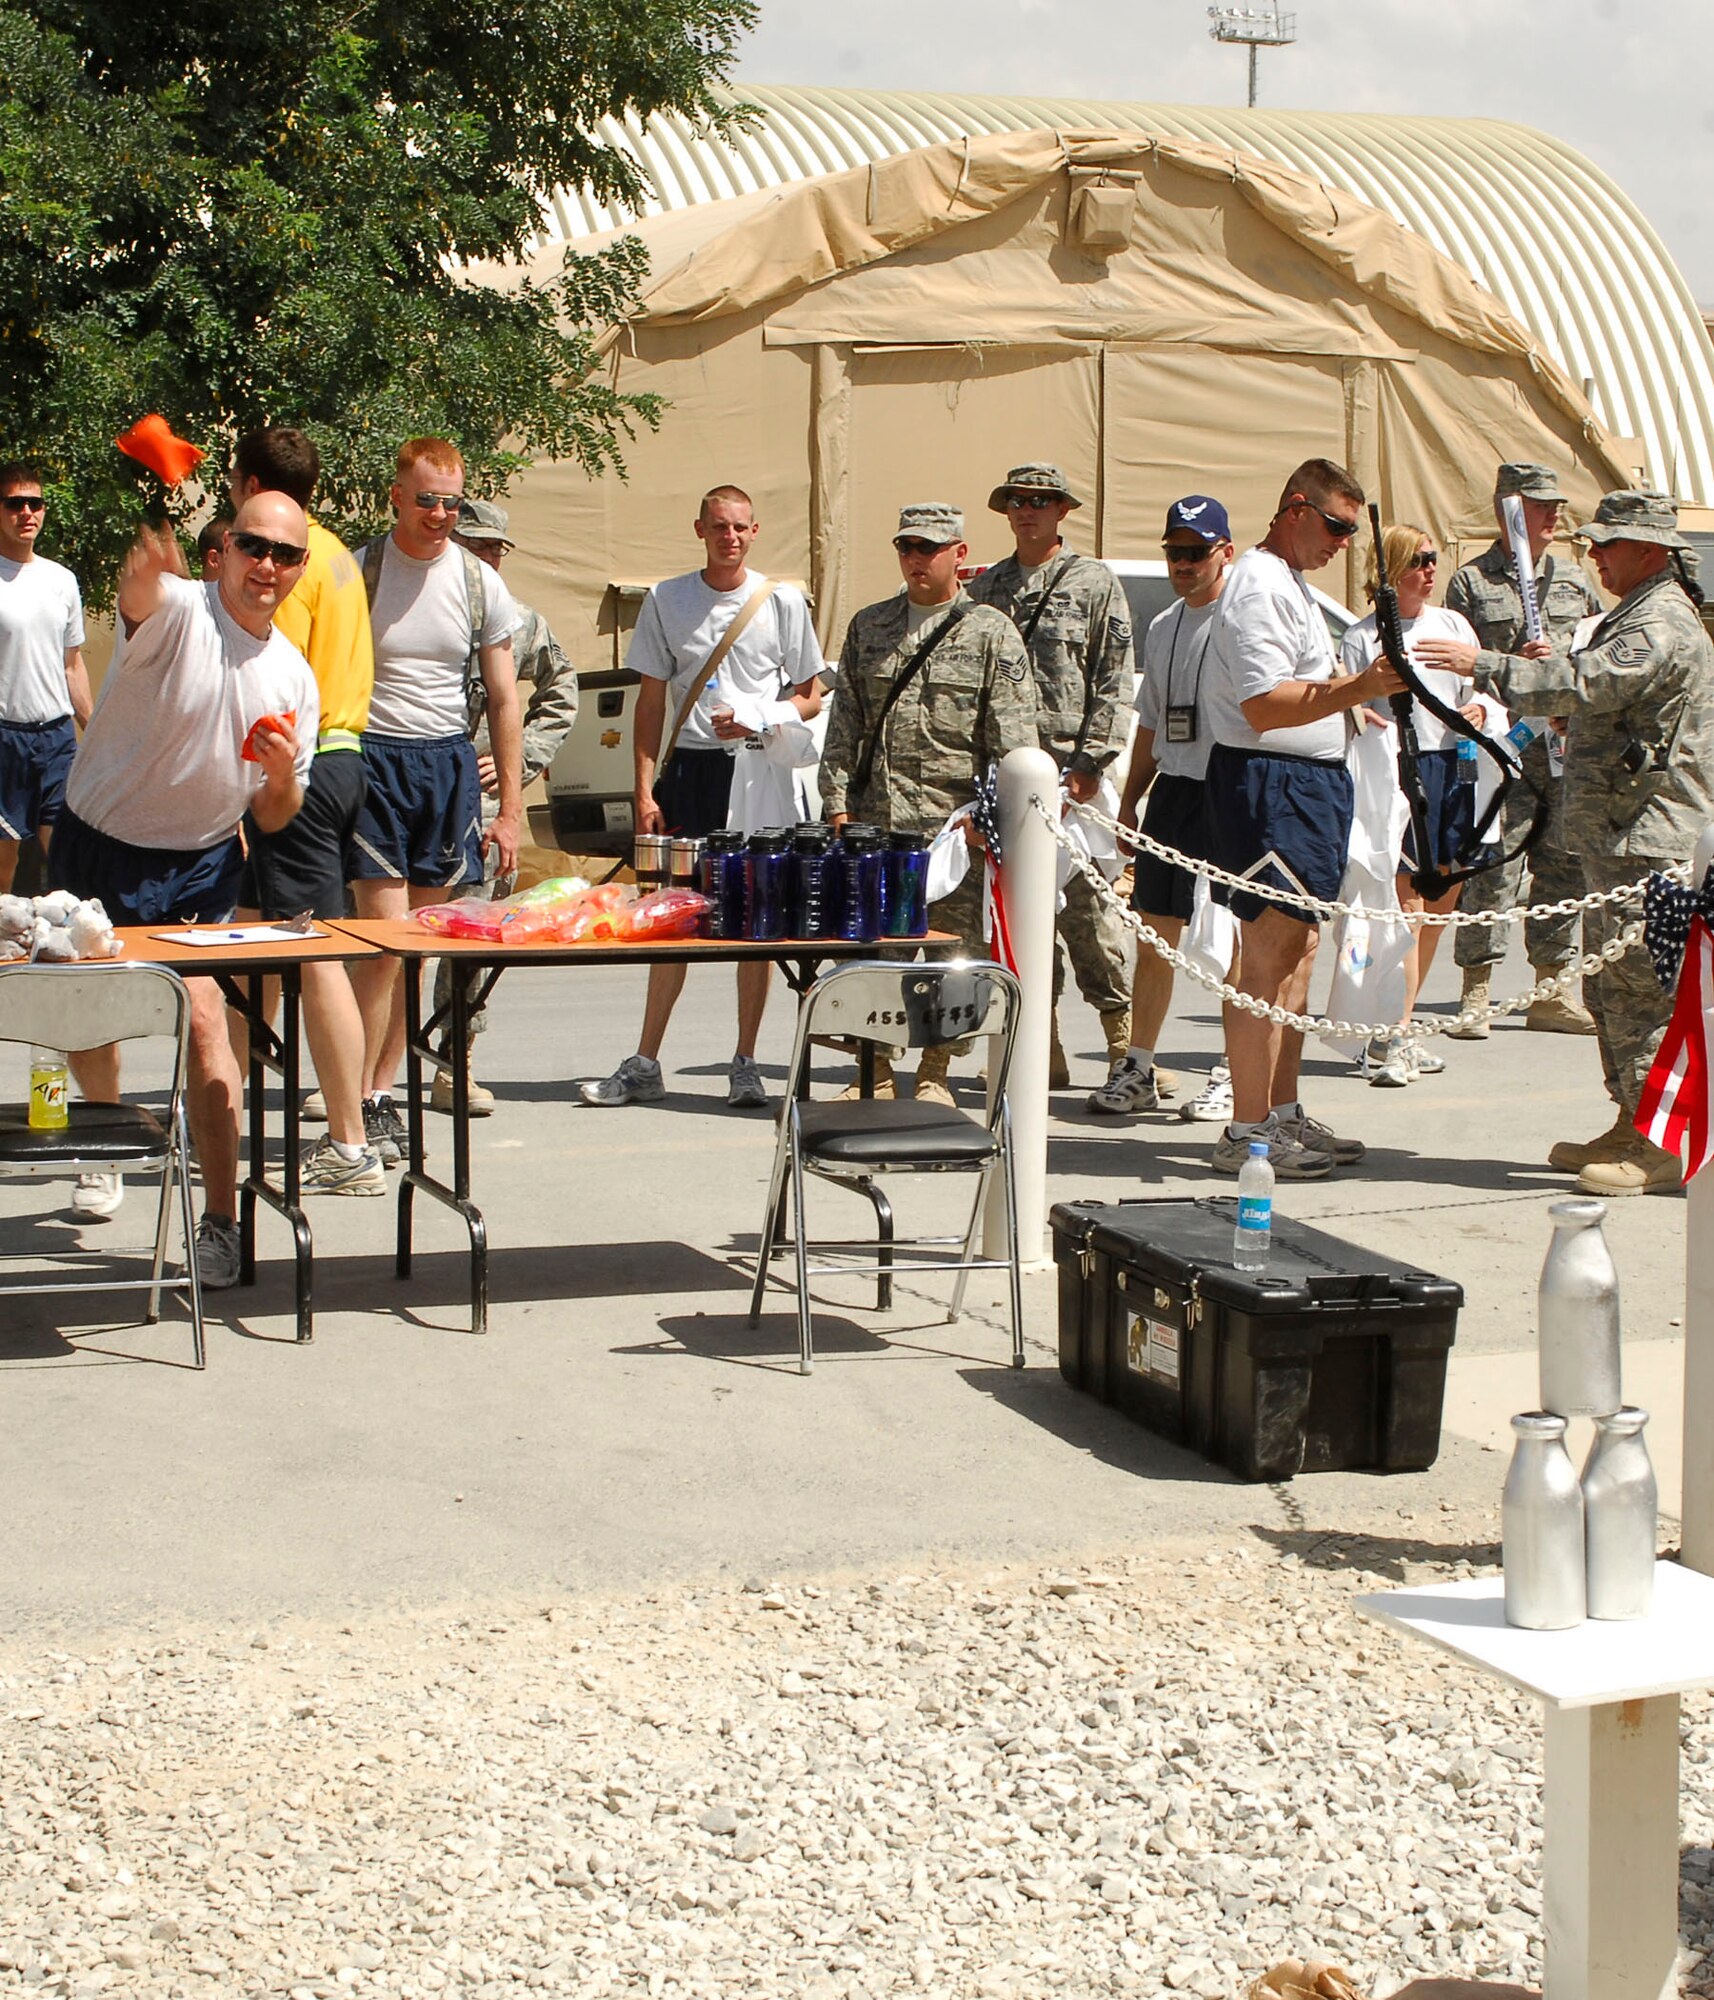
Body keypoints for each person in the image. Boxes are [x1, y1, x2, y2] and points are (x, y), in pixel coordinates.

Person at [48, 496, 317, 1285]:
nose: (266, 566)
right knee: (88, 1018)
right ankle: (103, 1149)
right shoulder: (180, 609)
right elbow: (139, 599)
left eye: (285, 554)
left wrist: (276, 777)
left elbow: (274, 812)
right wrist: (141, 575)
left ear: (300, 567)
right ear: (224, 550)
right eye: (252, 546)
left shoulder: (293, 675)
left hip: (200, 864)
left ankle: (221, 1222)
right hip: (97, 846)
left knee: (206, 1026)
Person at [1420, 490, 1714, 1195]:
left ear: (1648, 550)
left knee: (1640, 986)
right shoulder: (1631, 614)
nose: (1594, 555)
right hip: (1615, 836)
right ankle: (1632, 1116)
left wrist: (1483, 665)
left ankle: (1661, 1141)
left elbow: (1585, 683)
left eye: (1608, 544)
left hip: (1648, 839)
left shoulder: (1661, 623)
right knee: (1611, 987)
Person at [582, 485, 823, 1112]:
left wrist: (759, 718)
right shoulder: (668, 598)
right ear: (700, 529)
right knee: (671, 917)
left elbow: (810, 694)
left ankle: (745, 1063)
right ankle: (646, 1061)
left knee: (756, 922)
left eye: (740, 528)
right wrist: (642, 787)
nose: (730, 537)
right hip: (688, 772)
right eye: (719, 526)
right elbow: (652, 699)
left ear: (755, 530)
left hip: (757, 771)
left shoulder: (783, 601)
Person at [1199, 458, 1404, 1177]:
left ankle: (1279, 1112)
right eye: (1336, 525)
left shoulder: (1289, 585)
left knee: (1297, 951)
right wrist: (1360, 687)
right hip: (1271, 781)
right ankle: (1248, 1130)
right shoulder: (1258, 585)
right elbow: (1263, 705)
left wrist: (1355, 696)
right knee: (1266, 956)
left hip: (1306, 782)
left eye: (1352, 529)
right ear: (1295, 508)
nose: (1343, 542)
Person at [818, 503, 1040, 1104]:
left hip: (953, 833)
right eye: (907, 547)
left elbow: (1015, 744)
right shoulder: (870, 626)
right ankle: (877, 1074)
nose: (916, 559)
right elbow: (846, 726)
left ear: (959, 555)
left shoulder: (991, 632)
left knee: (954, 957)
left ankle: (936, 1074)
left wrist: (987, 822)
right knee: (878, 954)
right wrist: (837, 806)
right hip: (880, 828)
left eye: (930, 548)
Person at [348, 437, 522, 1166]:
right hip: (372, 761)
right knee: (384, 942)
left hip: (446, 766)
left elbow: (508, 697)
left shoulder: (481, 583)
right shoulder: (359, 570)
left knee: (416, 947)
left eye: (452, 502)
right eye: (427, 500)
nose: (441, 515)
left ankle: (380, 1092)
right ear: (396, 495)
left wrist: (510, 810)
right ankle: (354, 1099)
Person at [225, 426, 383, 1198]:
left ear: (251, 483)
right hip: (345, 756)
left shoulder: (281, 563)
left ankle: (350, 1143)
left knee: (314, 952)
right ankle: (220, 1101)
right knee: (244, 947)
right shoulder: (334, 551)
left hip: (301, 765)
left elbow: (262, 683)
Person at [969, 464, 1137, 1095]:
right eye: (1015, 500)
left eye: (1039, 501)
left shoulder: (1093, 582)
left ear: (1062, 510)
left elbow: (1113, 675)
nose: (1025, 510)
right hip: (1009, 774)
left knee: (1090, 914)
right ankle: (1046, 1045)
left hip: (1073, 772)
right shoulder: (989, 586)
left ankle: (1124, 1047)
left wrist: (1093, 763)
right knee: (1021, 913)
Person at [1443, 464, 1602, 1040]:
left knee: (1562, 864)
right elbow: (1462, 663)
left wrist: (1558, 659)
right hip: (1504, 744)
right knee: (1493, 865)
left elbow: (1594, 646)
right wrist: (1513, 659)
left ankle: (1551, 987)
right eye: (1539, 505)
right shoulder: (1472, 581)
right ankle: (1476, 987)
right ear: (1509, 510)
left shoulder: (1573, 577)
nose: (1554, 515)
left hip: (1560, 742)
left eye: (1556, 504)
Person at [434, 496, 579, 1115]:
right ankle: (372, 1077)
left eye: (494, 548)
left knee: (470, 932)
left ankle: (453, 1062)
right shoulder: (418, 606)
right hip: (409, 789)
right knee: (387, 933)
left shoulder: (519, 622)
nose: (485, 558)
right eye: (473, 545)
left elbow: (562, 686)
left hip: (481, 802)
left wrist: (518, 760)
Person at [1098, 496, 1236, 1122]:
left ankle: (1238, 1070)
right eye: (1174, 553)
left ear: (1224, 552)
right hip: (1176, 791)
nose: (1183, 564)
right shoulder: (1163, 626)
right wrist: (1130, 801)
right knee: (1156, 932)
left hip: (1233, 786)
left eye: (1196, 552)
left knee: (1237, 937)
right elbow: (1151, 723)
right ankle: (1141, 1065)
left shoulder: (1241, 615)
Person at [1339, 525, 1482, 1088]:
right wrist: (1356, 713)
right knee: (1406, 907)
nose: (1429, 568)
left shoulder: (1452, 626)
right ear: (1391, 569)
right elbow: (1345, 700)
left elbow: (1478, 695)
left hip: (1452, 768)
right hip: (1394, 774)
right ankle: (1395, 1032)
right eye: (1418, 560)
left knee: (1441, 902)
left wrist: (1480, 713)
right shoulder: (1363, 635)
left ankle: (1399, 1017)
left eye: (1433, 559)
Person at [0, 462, 91, 897]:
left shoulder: (61, 580)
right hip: (5, 739)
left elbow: (72, 665)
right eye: (15, 504)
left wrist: (95, 728)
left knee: (65, 856)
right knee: (5, 863)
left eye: (34, 503)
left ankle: (73, 955)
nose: (26, 513)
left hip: (56, 737)